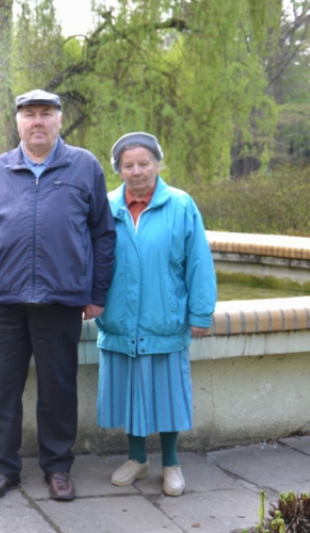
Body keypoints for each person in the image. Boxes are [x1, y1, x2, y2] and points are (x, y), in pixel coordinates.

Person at [0, 89, 116, 501]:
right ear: (17, 122)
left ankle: (57, 468)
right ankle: (4, 469)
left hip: (62, 299)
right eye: (29, 114)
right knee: (5, 391)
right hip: (5, 303)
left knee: (58, 390)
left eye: (45, 114)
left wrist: (96, 291)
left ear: (59, 120)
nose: (37, 121)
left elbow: (102, 234)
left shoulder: (84, 166)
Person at [95, 132, 216, 497]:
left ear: (158, 165)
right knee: (129, 394)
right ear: (118, 170)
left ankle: (171, 462)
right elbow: (89, 260)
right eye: (128, 165)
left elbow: (198, 262)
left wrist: (201, 312)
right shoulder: (106, 207)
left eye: (144, 163)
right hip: (119, 320)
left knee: (168, 395)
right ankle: (136, 458)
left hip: (163, 319)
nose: (137, 171)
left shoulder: (181, 205)